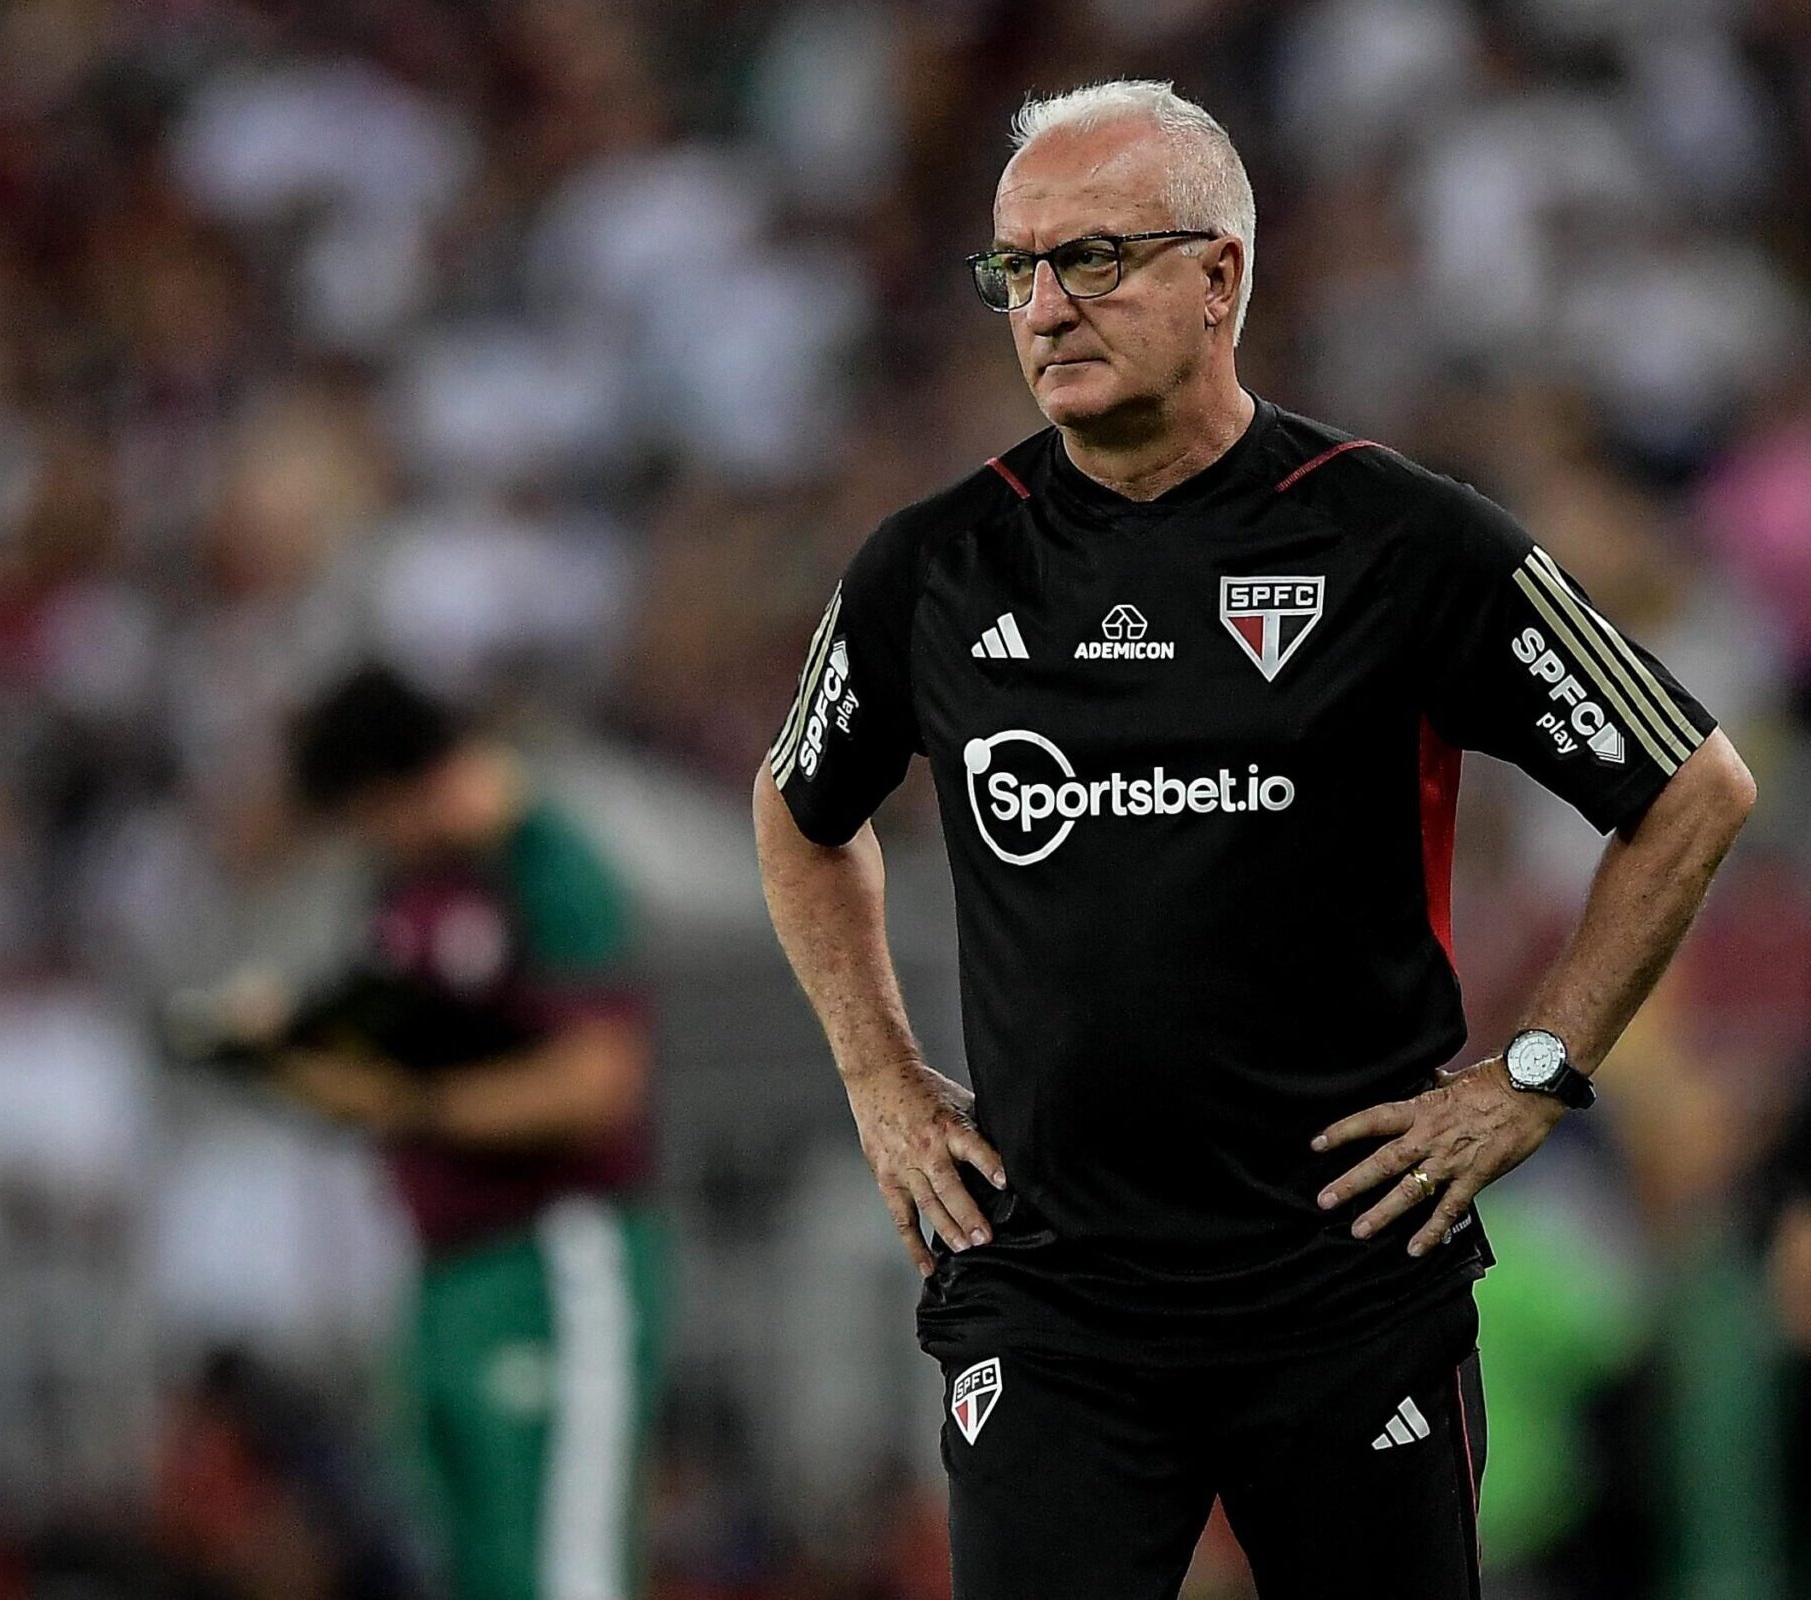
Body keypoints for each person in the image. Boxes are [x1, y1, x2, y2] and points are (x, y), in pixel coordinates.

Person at [751, 79, 1757, 1598]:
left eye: (1092, 258)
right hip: (1057, 1295)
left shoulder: (1401, 543)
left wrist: (1535, 1075)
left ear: (1219, 276)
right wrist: (880, 1075)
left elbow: (1692, 787)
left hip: (1345, 1287)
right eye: (1015, 270)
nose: (1043, 307)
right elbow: (797, 807)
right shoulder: (933, 568)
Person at [275, 664, 667, 1600]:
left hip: (558, 1257)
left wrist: (407, 1106)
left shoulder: (543, 864)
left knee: (567, 1570)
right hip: (445, 1269)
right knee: (481, 1568)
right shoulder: (407, 888)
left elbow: (600, 1082)